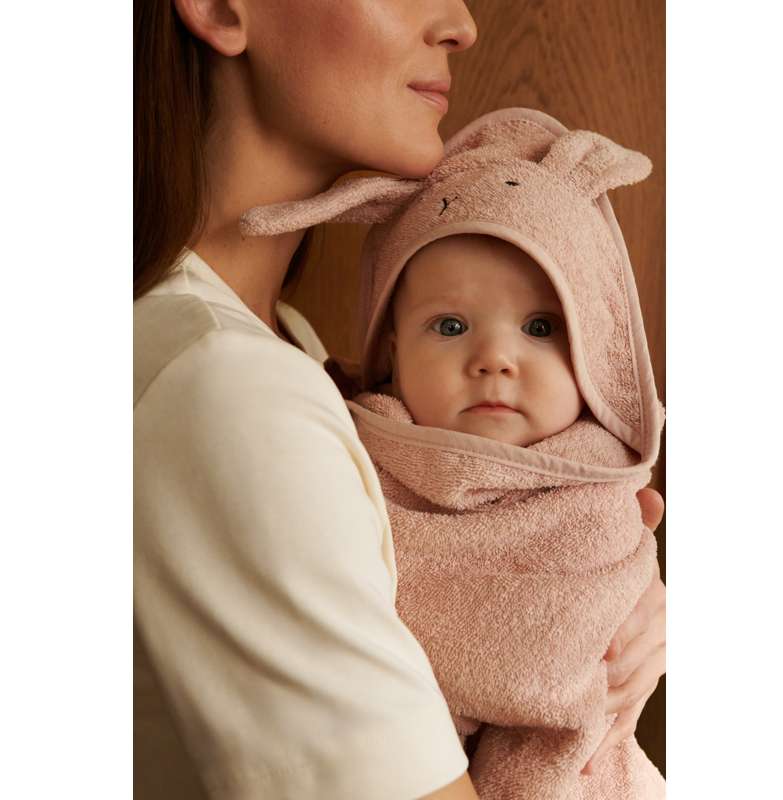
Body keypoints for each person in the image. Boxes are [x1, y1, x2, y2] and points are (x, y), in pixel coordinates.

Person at [133, 4, 666, 799]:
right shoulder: (228, 391)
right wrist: (566, 656)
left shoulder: (291, 351)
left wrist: (601, 593)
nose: (461, 22)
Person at [238, 108, 667, 798]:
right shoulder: (345, 450)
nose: (494, 358)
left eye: (540, 327)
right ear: (392, 353)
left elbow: (598, 646)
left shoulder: (605, 486)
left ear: (594, 350)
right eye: (450, 325)